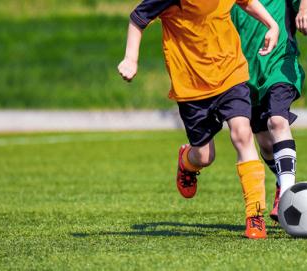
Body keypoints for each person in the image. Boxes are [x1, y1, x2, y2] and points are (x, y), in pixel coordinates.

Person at [117, 0, 280, 239]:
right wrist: (131, 58)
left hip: (230, 72)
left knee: (242, 133)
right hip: (191, 85)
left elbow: (247, 2)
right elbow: (138, 18)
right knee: (204, 156)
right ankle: (187, 160)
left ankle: (254, 216)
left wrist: (271, 25)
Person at [231, 0, 307, 222]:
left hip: (281, 66)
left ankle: (289, 197)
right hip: (244, 74)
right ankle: (282, 182)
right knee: (266, 146)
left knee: (277, 121)